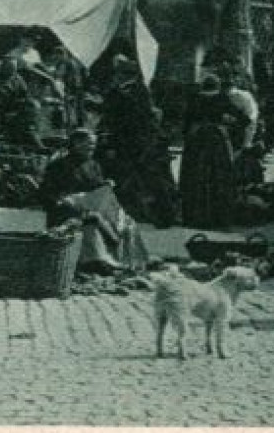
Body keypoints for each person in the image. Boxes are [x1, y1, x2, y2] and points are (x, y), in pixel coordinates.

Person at [38, 128, 148, 274]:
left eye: (93, 144)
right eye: (88, 144)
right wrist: (66, 202)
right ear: (76, 143)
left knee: (127, 222)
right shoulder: (58, 166)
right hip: (65, 213)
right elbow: (47, 195)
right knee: (93, 220)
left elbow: (95, 187)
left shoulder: (93, 165)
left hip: (91, 208)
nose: (92, 147)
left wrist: (105, 184)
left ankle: (132, 260)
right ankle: (99, 261)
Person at [96, 55, 178, 226]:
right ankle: (139, 213)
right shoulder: (135, 92)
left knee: (144, 180)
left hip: (135, 144)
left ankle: (163, 214)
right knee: (138, 180)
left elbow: (119, 120)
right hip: (137, 144)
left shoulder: (131, 93)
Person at [179, 72, 246, 228]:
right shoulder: (222, 99)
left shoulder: (194, 98)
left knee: (194, 178)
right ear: (218, 86)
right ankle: (218, 217)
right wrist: (228, 124)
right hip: (216, 141)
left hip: (196, 142)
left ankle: (194, 217)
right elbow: (244, 119)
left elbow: (186, 124)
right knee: (219, 177)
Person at [48, 44, 89, 130]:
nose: (56, 57)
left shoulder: (64, 63)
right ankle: (80, 125)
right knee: (78, 107)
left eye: (58, 55)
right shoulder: (75, 61)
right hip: (79, 87)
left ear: (61, 54)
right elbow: (84, 73)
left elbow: (59, 75)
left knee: (69, 108)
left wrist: (52, 73)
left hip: (70, 88)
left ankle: (70, 125)